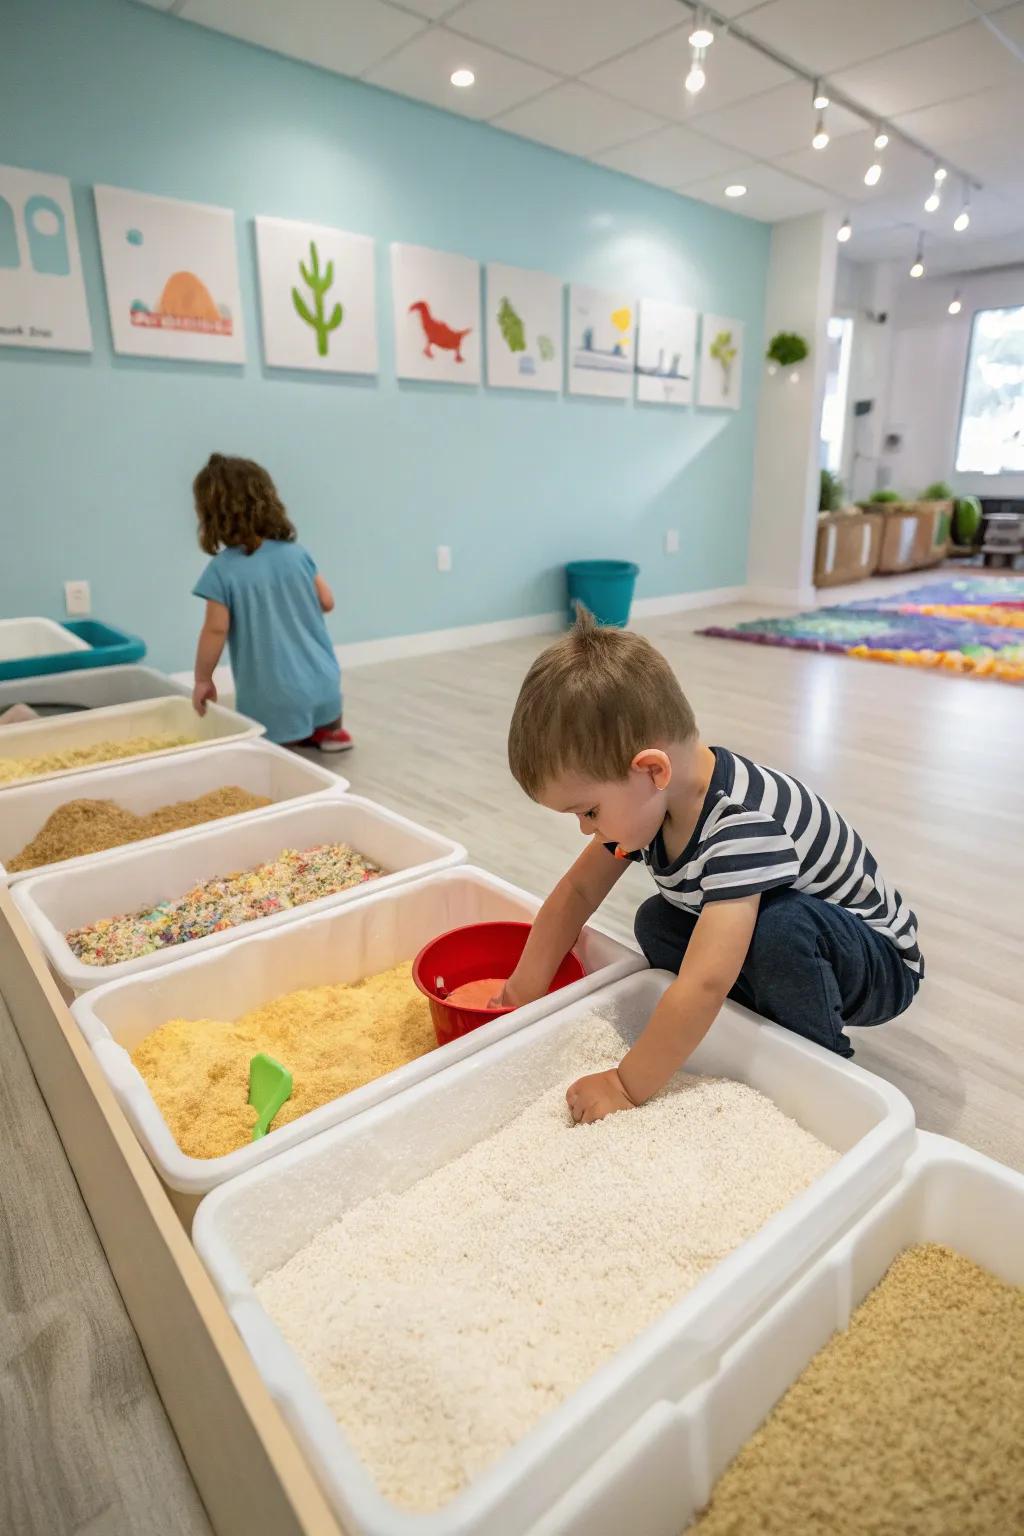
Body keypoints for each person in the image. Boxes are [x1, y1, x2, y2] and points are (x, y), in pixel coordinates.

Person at [501, 608, 922, 1124]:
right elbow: (578, 893)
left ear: (652, 770)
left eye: (589, 811)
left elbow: (704, 981)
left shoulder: (739, 824)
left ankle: (817, 1063)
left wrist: (627, 1084)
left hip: (876, 960)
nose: (587, 829)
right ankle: (752, 1027)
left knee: (779, 929)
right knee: (656, 920)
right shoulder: (650, 803)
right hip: (799, 939)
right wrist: (520, 992)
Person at [190, 454, 351, 752]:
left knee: (269, 743)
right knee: (324, 709)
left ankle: (284, 743)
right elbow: (327, 602)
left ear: (210, 515)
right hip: (324, 681)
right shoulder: (296, 553)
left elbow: (215, 630)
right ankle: (330, 733)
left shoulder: (222, 570)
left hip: (274, 694)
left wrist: (203, 679)